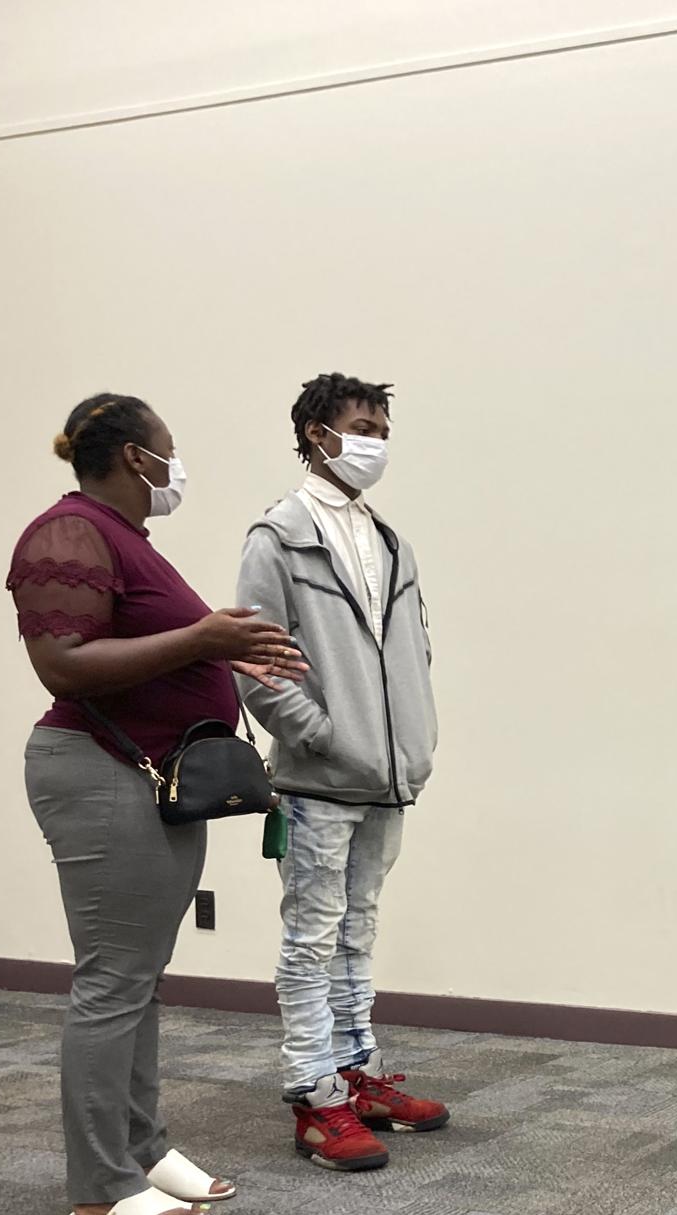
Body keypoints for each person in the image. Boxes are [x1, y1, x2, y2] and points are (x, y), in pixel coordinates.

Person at [10, 393, 304, 1215]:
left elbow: (166, 648)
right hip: (98, 772)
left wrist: (233, 648)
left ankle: (143, 1146)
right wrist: (205, 642)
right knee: (112, 983)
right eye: (169, 450)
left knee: (138, 980)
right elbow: (61, 664)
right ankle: (101, 1188)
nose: (178, 466)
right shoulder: (66, 532)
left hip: (150, 779)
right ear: (137, 457)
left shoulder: (128, 540)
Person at [237, 372, 445, 1173]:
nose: (374, 443)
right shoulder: (278, 536)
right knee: (312, 936)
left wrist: (412, 742)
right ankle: (313, 1098)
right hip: (321, 778)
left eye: (384, 430)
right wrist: (322, 735)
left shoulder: (389, 539)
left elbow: (413, 653)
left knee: (359, 929)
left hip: (389, 776)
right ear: (316, 434)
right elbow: (255, 662)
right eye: (361, 426)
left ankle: (354, 1073)